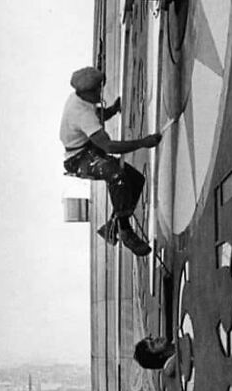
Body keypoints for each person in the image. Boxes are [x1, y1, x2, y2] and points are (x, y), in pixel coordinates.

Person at [60, 66, 161, 256]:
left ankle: (112, 227)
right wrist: (143, 143)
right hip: (78, 158)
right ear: (85, 92)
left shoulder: (81, 98)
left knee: (136, 180)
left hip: (88, 148)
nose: (100, 92)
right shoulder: (81, 113)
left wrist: (112, 110)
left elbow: (96, 115)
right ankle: (125, 230)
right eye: (97, 90)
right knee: (116, 175)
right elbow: (109, 147)